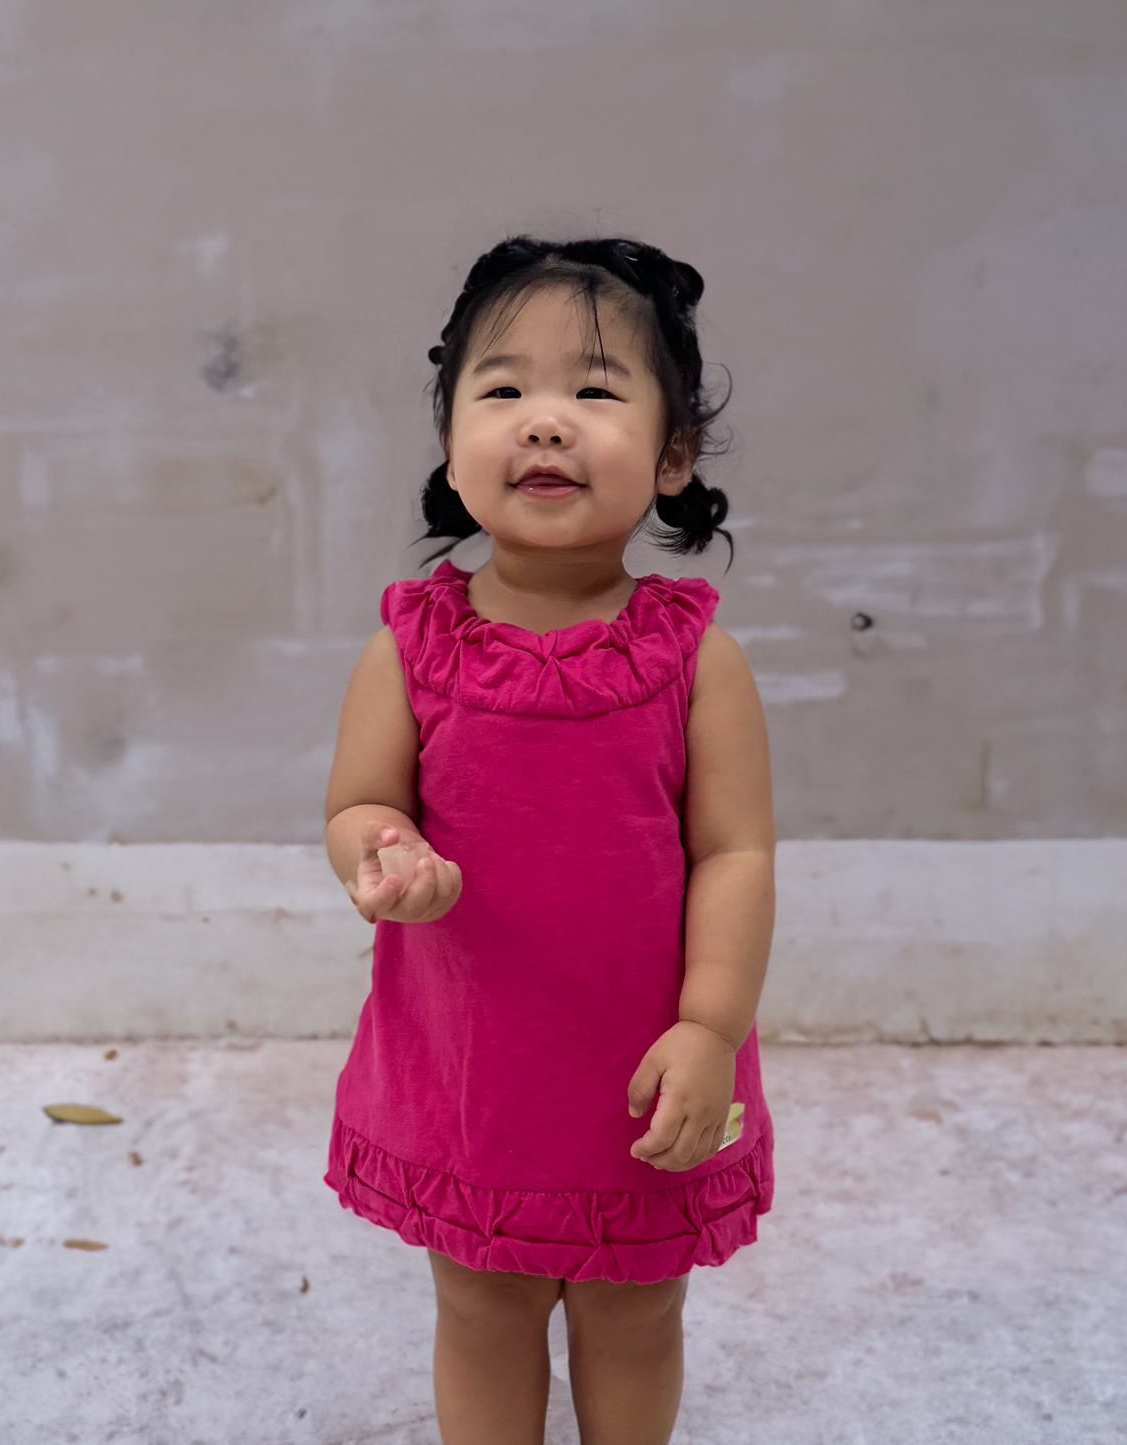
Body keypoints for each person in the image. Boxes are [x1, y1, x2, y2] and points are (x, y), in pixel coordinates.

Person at [322, 236, 775, 1445]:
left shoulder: (695, 658)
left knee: (633, 1310)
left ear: (673, 454)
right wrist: (386, 854)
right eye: (503, 389)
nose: (544, 423)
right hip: (470, 1063)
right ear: (449, 436)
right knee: (481, 1303)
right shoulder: (411, 643)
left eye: (594, 390)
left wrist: (710, 1024)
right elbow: (358, 804)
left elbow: (734, 853)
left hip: (640, 1066)